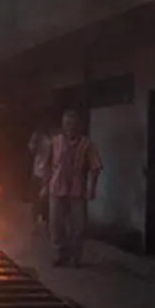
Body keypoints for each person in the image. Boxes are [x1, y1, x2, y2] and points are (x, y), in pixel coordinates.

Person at [42, 109, 102, 266]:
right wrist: (44, 186)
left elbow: (95, 167)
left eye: (73, 124)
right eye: (67, 123)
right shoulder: (55, 142)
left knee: (78, 227)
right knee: (56, 225)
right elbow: (47, 165)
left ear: (79, 126)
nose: (71, 127)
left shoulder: (86, 144)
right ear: (63, 125)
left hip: (77, 191)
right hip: (57, 189)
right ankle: (59, 255)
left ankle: (75, 257)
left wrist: (92, 188)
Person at [28, 127, 52, 233]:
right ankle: (35, 226)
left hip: (46, 176)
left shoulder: (48, 144)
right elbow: (31, 149)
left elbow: (51, 163)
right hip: (37, 175)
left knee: (44, 202)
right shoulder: (37, 140)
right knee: (35, 201)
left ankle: (46, 226)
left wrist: (46, 183)